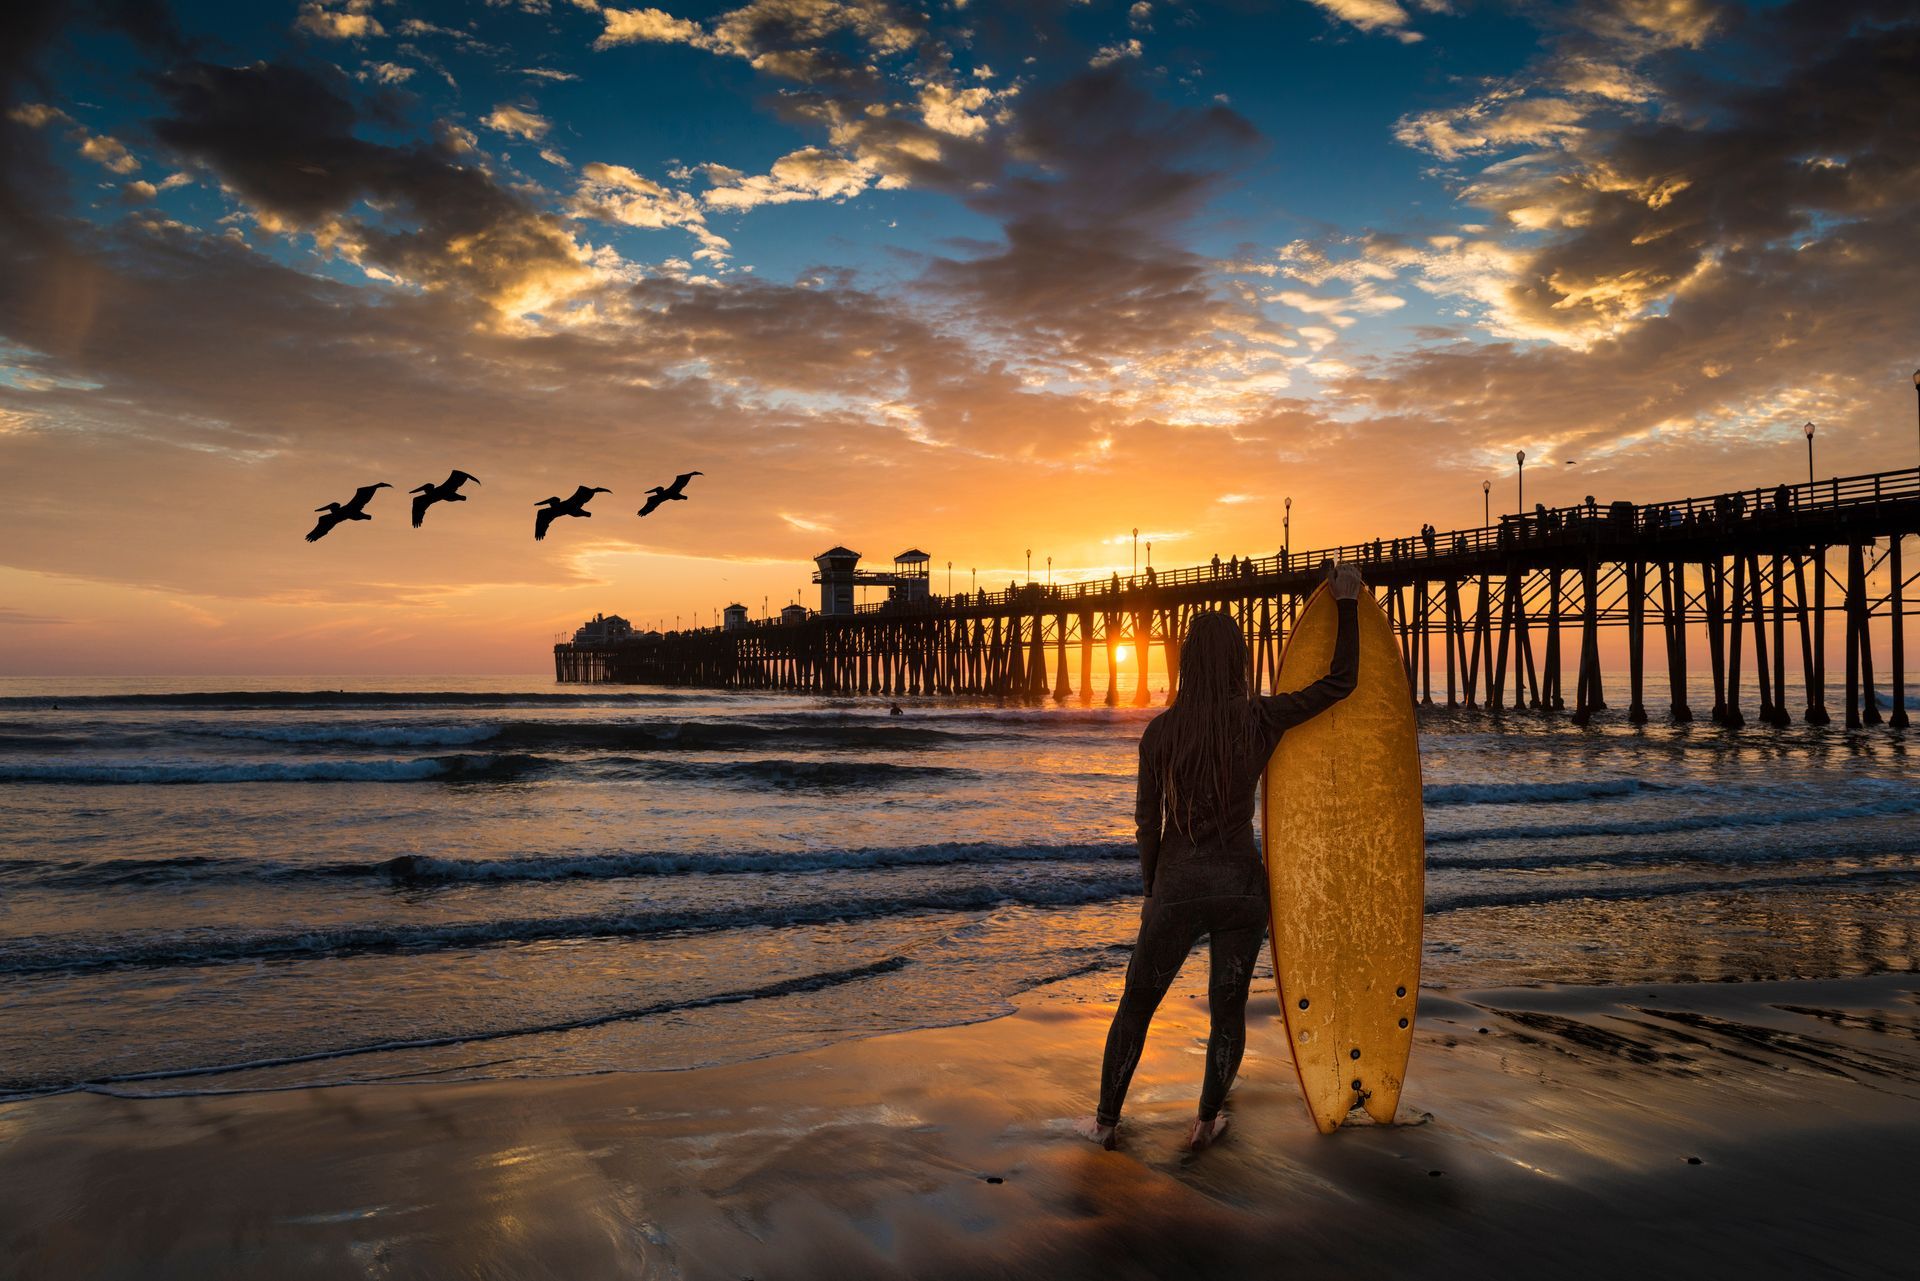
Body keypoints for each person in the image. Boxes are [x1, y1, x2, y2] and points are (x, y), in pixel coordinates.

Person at [1078, 563, 1366, 1152]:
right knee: (1226, 1008)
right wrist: (1346, 605)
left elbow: (1146, 825)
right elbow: (1341, 683)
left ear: (1187, 663)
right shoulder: (1259, 718)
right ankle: (1205, 1122)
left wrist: (1153, 892)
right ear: (1236, 661)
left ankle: (1106, 1122)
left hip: (1178, 889)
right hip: (1241, 890)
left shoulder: (1160, 733)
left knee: (1136, 1006)